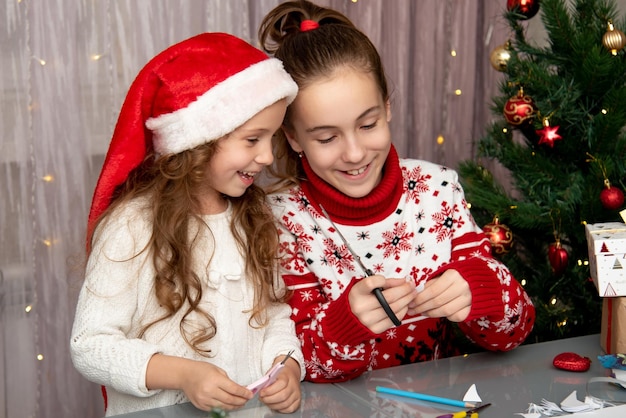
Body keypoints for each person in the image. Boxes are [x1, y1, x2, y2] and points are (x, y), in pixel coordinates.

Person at [258, 0, 536, 383]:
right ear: (293, 138)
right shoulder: (283, 219)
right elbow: (290, 365)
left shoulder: (438, 190)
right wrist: (345, 326)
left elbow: (515, 331)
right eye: (326, 137)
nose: (354, 153)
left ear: (387, 108)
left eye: (368, 125)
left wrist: (480, 289)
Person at [70, 33, 304, 416]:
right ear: (199, 141)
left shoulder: (252, 219)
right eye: (252, 139)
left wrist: (288, 365)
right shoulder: (133, 227)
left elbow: (275, 314)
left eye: (272, 138)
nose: (265, 156)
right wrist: (183, 375)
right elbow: (90, 345)